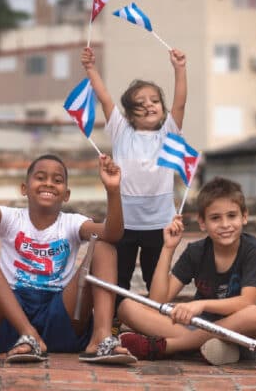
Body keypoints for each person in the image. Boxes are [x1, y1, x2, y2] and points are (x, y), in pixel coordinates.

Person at [0, 129, 136, 364]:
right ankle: (29, 335)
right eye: (40, 177)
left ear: (66, 194)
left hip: (61, 315)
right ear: (24, 189)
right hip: (10, 318)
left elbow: (113, 233)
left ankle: (100, 338)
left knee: (104, 247)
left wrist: (113, 190)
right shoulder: (10, 218)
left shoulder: (72, 223)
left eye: (57, 180)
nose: (48, 183)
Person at [115, 177, 256, 366]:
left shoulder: (254, 250)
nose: (225, 224)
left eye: (232, 216)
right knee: (126, 307)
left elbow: (247, 302)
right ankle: (209, 348)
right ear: (202, 223)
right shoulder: (196, 251)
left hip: (241, 333)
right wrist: (168, 248)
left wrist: (201, 305)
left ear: (244, 216)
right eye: (215, 218)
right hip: (197, 327)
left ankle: (167, 347)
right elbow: (155, 301)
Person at [81, 46, 188, 311]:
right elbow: (105, 98)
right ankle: (116, 321)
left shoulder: (169, 133)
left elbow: (181, 103)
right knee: (118, 279)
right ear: (129, 114)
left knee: (157, 280)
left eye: (154, 100)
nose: (150, 105)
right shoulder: (120, 131)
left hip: (159, 224)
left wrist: (180, 69)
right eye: (141, 103)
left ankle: (153, 321)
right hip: (124, 225)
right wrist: (91, 68)